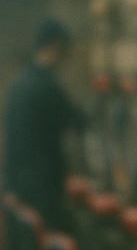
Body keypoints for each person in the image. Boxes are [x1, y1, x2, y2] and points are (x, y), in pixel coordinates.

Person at [3, 18, 84, 231]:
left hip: (19, 183)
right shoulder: (46, 87)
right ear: (55, 47)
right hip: (43, 187)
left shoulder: (20, 83)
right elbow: (78, 121)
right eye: (64, 51)